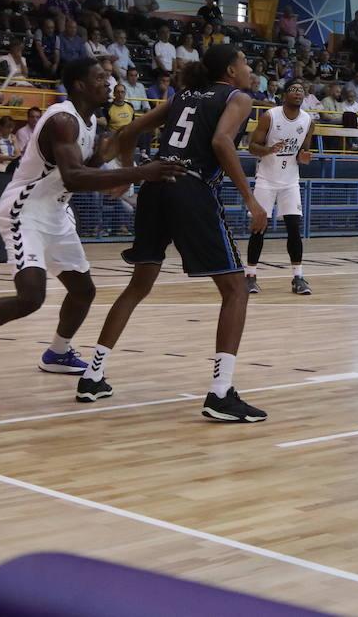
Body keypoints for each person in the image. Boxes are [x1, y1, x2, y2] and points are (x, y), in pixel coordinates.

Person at [0, 58, 185, 403]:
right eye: (100, 78)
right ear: (78, 84)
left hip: (56, 212)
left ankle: (58, 353)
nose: (109, 83)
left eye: (109, 77)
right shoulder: (62, 120)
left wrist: (104, 157)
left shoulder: (90, 120)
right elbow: (73, 177)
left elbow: (79, 172)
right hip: (25, 211)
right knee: (30, 297)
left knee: (83, 291)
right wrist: (139, 173)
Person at [78, 45, 270, 422]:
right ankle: (220, 393)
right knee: (235, 289)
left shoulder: (183, 96)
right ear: (231, 71)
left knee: (138, 285)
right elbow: (220, 142)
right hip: (190, 188)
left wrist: (130, 173)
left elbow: (129, 130)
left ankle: (92, 375)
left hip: (155, 185)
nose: (249, 69)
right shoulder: (239, 97)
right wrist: (251, 199)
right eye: (245, 63)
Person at [245, 79, 315, 297]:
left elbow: (303, 152)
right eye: (293, 90)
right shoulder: (270, 116)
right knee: (259, 228)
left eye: (301, 90)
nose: (297, 93)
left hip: (290, 181)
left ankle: (298, 277)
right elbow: (251, 147)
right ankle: (250, 275)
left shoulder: (308, 121)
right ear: (285, 95)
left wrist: (304, 157)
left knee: (294, 229)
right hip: (266, 179)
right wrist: (268, 150)